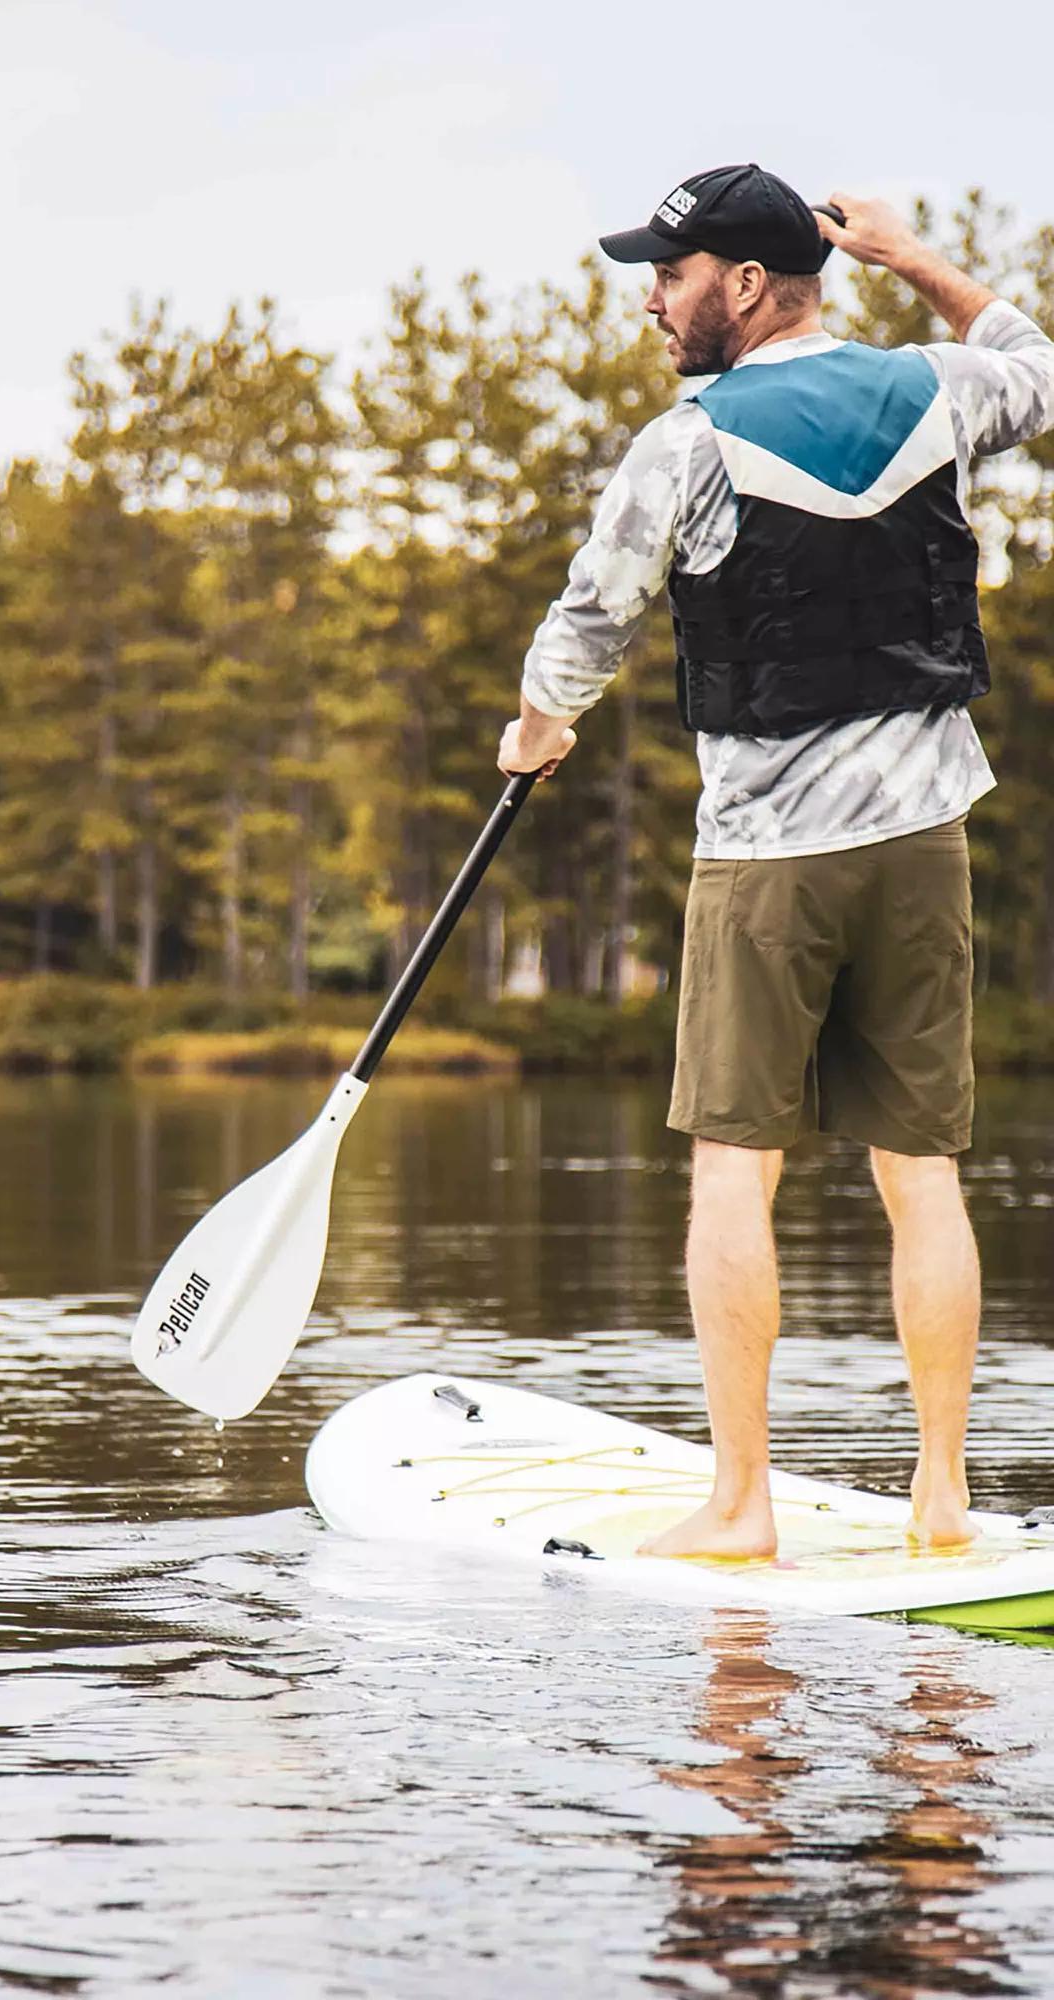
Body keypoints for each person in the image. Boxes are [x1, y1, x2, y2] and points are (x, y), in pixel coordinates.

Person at [496, 166, 1054, 1558]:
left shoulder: (684, 445)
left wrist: (538, 726)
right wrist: (917, 258)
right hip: (924, 845)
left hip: (767, 863)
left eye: (673, 273)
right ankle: (942, 1497)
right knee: (919, 1172)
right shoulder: (934, 391)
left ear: (745, 286)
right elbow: (1038, 367)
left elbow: (592, 617)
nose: (654, 295)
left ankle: (741, 1507)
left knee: (734, 1172)